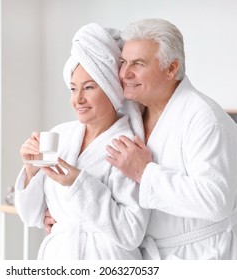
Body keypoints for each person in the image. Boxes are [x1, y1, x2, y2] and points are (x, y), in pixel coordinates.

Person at [105, 18, 237, 259]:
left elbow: (215, 200)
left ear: (171, 68)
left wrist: (144, 172)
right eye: (123, 62)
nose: (124, 73)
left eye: (138, 64)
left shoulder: (205, 119)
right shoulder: (129, 114)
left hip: (206, 255)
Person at [14, 23, 148, 260]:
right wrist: (31, 170)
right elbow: (31, 216)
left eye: (88, 88)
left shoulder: (126, 147)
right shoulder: (61, 135)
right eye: (73, 89)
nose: (78, 99)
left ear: (111, 90)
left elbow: (130, 233)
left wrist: (78, 181)